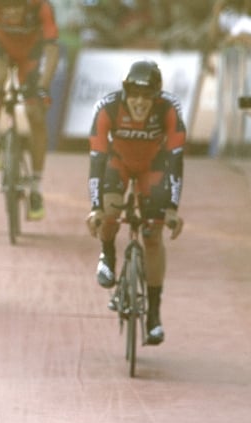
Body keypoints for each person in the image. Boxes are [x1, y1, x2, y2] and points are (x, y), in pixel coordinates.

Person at [85, 60, 185, 346]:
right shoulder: (107, 108)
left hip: (153, 166)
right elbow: (97, 160)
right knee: (111, 210)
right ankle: (108, 255)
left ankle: (153, 314)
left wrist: (173, 209)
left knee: (153, 235)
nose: (140, 102)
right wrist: (95, 207)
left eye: (147, 96)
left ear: (156, 97)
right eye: (134, 95)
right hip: (118, 163)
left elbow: (176, 160)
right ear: (126, 93)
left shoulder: (169, 110)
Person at [0, 0, 60, 220]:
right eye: (7, 7)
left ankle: (36, 186)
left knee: (35, 115)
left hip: (30, 54)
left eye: (17, 7)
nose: (12, 12)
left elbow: (52, 49)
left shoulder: (42, 7)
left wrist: (43, 88)